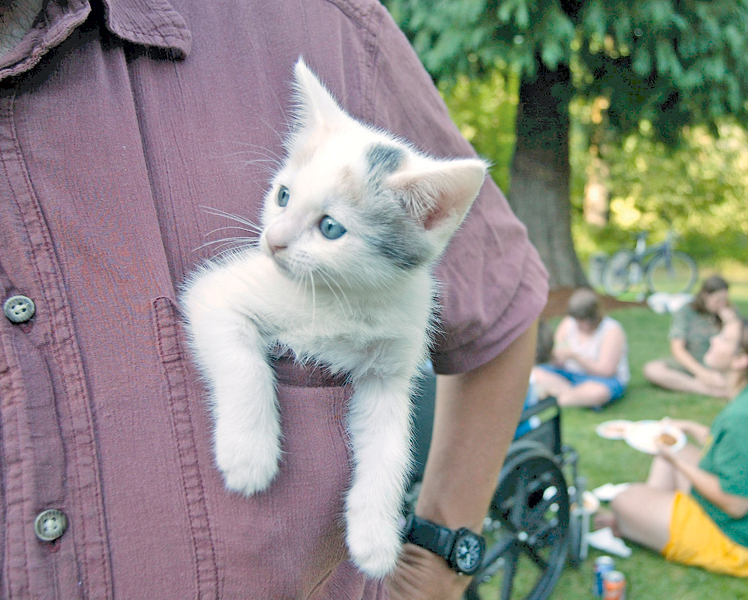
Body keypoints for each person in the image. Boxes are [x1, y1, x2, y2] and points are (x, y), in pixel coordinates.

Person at [0, 2, 548, 599]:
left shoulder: (335, 25)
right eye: (282, 195)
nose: (276, 239)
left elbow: (492, 313)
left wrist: (428, 572)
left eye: (330, 229)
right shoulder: (284, 257)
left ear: (430, 220)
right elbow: (215, 302)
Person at [597, 317, 748, 577]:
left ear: (740, 361)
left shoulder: (742, 417)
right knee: (673, 447)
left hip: (743, 541)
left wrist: (677, 463)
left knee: (622, 500)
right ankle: (642, 520)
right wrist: (690, 428)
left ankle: (634, 519)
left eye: (723, 339)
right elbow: (744, 449)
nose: (713, 340)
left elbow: (737, 504)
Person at [531, 288, 630, 408]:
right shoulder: (568, 323)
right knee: (535, 373)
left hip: (601, 380)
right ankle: (569, 396)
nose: (579, 325)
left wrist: (576, 357)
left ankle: (557, 396)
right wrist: (557, 358)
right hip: (568, 374)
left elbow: (606, 371)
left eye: (582, 321)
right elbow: (558, 351)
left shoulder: (612, 330)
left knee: (598, 393)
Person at [643, 275, 736, 398]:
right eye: (718, 300)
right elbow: (677, 348)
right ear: (705, 296)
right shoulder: (686, 312)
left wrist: (731, 322)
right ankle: (704, 389)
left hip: (719, 364)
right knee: (652, 369)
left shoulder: (729, 313)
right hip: (690, 363)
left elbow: (738, 345)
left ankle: (722, 386)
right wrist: (702, 373)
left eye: (724, 300)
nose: (722, 304)